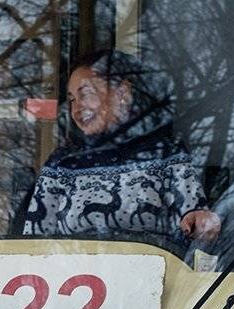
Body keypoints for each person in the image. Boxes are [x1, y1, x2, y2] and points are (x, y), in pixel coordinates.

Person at [23, 49, 221, 246]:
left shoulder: (165, 152)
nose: (76, 108)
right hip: (77, 276)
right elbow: (34, 244)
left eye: (86, 94)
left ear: (122, 93)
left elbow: (196, 229)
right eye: (72, 99)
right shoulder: (62, 163)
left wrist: (201, 222)